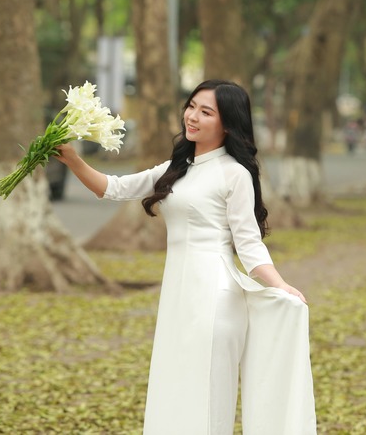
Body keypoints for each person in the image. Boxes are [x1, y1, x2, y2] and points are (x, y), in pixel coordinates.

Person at [55, 79, 317, 434]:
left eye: (205, 112)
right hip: (177, 296)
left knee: (207, 398)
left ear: (228, 124)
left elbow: (249, 244)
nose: (192, 116)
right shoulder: (176, 168)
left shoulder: (234, 173)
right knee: (175, 390)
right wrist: (71, 158)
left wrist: (280, 285)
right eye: (191, 106)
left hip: (214, 299)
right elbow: (112, 188)